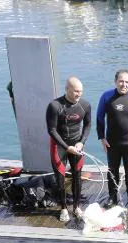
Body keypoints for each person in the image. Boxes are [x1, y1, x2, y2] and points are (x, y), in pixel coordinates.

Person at [96, 69, 128, 211]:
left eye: (126, 82)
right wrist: (101, 137)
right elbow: (100, 117)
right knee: (112, 170)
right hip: (112, 142)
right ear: (115, 81)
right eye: (121, 81)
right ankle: (113, 197)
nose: (123, 84)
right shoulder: (106, 96)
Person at [46, 76, 92, 222]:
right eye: (76, 91)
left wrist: (82, 142)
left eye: (81, 91)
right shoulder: (55, 106)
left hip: (77, 145)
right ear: (67, 89)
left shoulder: (85, 105)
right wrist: (67, 147)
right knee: (60, 178)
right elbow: (51, 130)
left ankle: (77, 207)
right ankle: (64, 208)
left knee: (77, 177)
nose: (79, 94)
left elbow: (88, 125)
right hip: (59, 145)